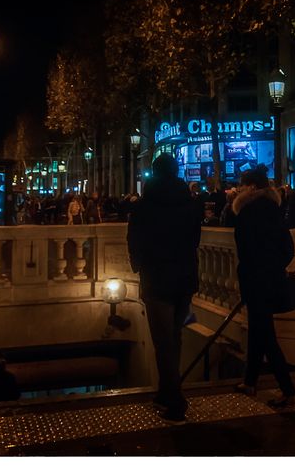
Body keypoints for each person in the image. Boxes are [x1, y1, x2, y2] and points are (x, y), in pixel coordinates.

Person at [127, 153, 202, 424]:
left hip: (157, 278)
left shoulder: (144, 206)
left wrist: (139, 265)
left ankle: (175, 401)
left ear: (154, 173)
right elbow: (195, 239)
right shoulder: (190, 204)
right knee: (176, 337)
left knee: (162, 342)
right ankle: (166, 393)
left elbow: (134, 239)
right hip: (184, 279)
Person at [231, 166, 295, 407]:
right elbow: (287, 248)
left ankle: (288, 390)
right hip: (271, 279)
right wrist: (275, 267)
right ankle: (250, 381)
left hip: (254, 279)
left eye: (241, 184)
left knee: (266, 335)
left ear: (250, 187)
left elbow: (244, 250)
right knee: (259, 330)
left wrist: (255, 270)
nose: (238, 188)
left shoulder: (247, 213)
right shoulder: (274, 210)